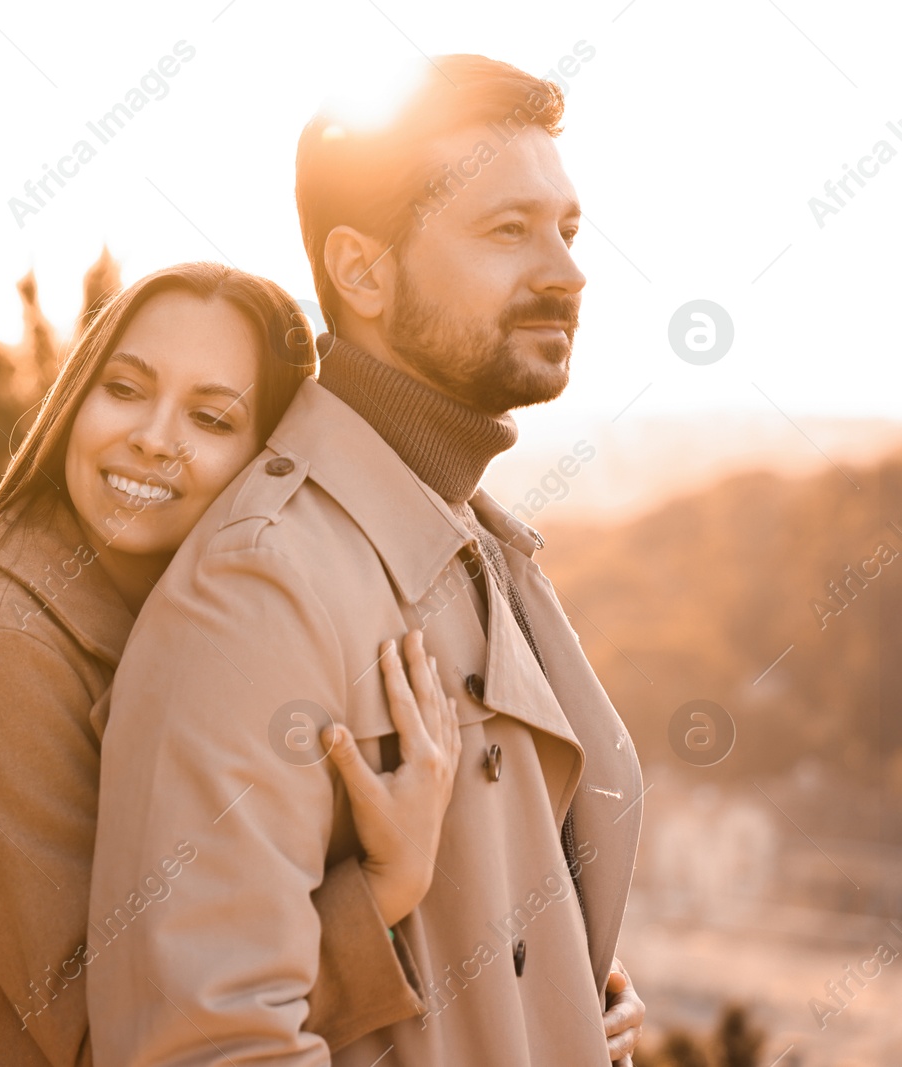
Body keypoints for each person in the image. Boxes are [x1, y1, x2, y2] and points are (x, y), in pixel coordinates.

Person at [87, 56, 647, 1065]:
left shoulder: (477, 540)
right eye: (506, 229)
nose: (566, 271)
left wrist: (557, 994)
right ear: (361, 271)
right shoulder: (260, 585)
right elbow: (211, 1042)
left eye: (566, 228)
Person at [0, 262, 465, 1065]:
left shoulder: (214, 642)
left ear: (270, 463)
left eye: (211, 418)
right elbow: (128, 1035)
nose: (154, 437)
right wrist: (384, 891)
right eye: (124, 389)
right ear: (75, 400)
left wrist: (584, 989)